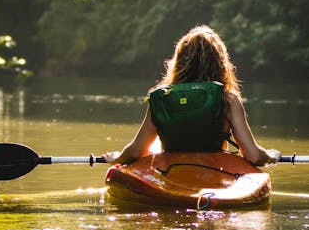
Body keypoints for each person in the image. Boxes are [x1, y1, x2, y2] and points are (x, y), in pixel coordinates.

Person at [102, 25, 279, 166]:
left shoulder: (162, 98)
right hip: (215, 173)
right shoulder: (228, 100)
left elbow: (135, 151)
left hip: (171, 173)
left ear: (179, 62)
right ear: (220, 63)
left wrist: (117, 158)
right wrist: (271, 156)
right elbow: (254, 156)